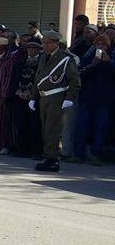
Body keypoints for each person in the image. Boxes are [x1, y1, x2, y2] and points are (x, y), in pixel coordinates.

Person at [31, 30, 81, 172]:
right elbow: (38, 78)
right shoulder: (43, 58)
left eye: (48, 43)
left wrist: (70, 98)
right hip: (44, 97)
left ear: (56, 43)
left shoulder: (65, 59)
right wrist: (34, 97)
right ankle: (49, 155)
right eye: (44, 42)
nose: (45, 45)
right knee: (45, 128)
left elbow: (74, 80)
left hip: (57, 97)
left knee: (53, 129)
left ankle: (53, 159)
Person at [71, 33, 115, 165]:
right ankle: (78, 154)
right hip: (87, 98)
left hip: (104, 100)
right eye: (98, 44)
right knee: (82, 126)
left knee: (100, 127)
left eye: (103, 44)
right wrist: (93, 65)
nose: (100, 47)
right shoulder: (88, 57)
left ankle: (96, 154)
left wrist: (109, 63)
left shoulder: (111, 59)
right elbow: (80, 75)